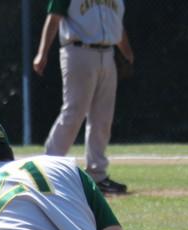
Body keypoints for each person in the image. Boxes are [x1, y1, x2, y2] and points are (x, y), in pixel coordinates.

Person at [33, 0, 134, 195]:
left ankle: (98, 175)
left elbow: (117, 25)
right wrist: (42, 53)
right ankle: (47, 168)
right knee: (74, 111)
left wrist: (128, 53)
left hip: (108, 53)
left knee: (103, 117)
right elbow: (53, 18)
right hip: (78, 51)